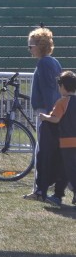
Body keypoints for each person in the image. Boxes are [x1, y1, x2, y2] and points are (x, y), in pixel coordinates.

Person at [23, 27, 66, 205]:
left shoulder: (44, 63)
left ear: (39, 46)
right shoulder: (53, 62)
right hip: (50, 110)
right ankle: (41, 189)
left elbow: (50, 90)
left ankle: (40, 190)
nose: (30, 49)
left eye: (31, 46)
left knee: (43, 152)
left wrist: (50, 113)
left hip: (46, 111)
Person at [38, 71, 76, 207]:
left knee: (69, 170)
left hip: (66, 142)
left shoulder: (62, 101)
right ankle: (58, 195)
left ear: (63, 86)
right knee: (66, 169)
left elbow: (56, 119)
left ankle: (58, 195)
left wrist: (44, 117)